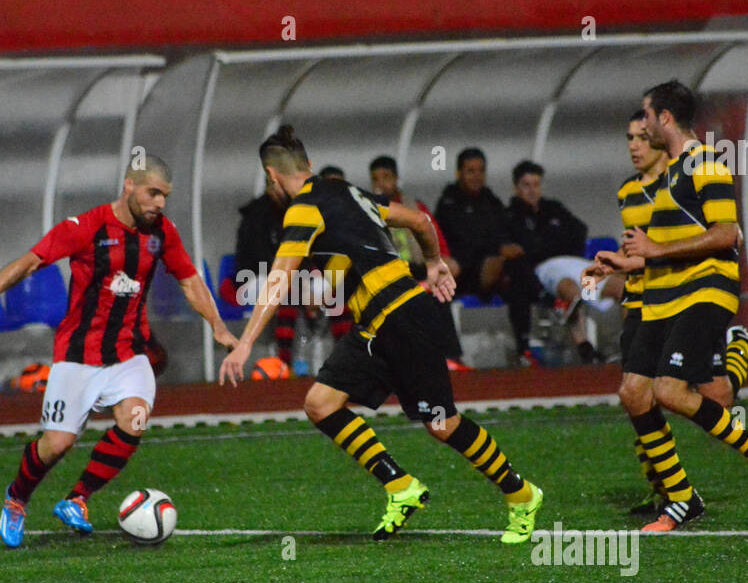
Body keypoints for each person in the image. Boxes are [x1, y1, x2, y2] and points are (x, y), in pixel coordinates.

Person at [219, 126, 544, 544]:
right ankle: (400, 487)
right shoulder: (347, 192)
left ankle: (522, 495)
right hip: (376, 325)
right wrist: (433, 263)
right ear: (310, 166)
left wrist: (244, 344)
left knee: (442, 424)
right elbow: (419, 220)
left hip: (403, 318)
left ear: (271, 174)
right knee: (321, 403)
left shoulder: (301, 209)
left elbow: (280, 277)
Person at [0, 155, 238, 547]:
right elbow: (30, 263)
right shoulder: (86, 226)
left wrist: (218, 326)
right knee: (57, 445)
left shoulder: (162, 233)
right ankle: (17, 498)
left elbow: (189, 281)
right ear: (129, 186)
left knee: (135, 419)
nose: (160, 203)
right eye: (153, 193)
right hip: (78, 356)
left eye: (165, 196)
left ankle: (77, 499)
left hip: (129, 354)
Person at [591, 82, 748, 533]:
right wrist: (623, 262)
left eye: (645, 116)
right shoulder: (672, 173)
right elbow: (663, 246)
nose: (640, 127)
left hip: (703, 291)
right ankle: (681, 499)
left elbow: (726, 234)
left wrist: (654, 250)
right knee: (634, 393)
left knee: (676, 392)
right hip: (665, 296)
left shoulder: (706, 162)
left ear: (664, 118)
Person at [235, 171, 347, 375]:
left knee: (335, 290)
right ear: (269, 187)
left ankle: (347, 360)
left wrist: (309, 284)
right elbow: (261, 260)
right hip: (255, 279)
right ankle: (282, 364)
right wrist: (300, 285)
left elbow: (311, 255)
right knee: (286, 291)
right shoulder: (256, 215)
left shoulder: (300, 212)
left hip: (294, 278)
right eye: (276, 187)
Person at [434, 148, 538, 364]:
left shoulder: (490, 201)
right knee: (507, 264)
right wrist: (497, 250)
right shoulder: (448, 203)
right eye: (470, 171)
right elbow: (461, 241)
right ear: (458, 173)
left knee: (517, 269)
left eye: (480, 171)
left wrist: (504, 249)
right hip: (463, 273)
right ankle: (450, 355)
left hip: (493, 272)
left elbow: (505, 230)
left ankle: (524, 347)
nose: (476, 176)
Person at [368, 155, 468, 369]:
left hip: (418, 270)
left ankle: (450, 357)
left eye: (386, 177)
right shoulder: (369, 212)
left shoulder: (415, 207)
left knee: (441, 287)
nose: (381, 184)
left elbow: (438, 244)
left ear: (396, 179)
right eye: (376, 179)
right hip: (388, 275)